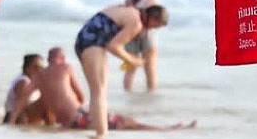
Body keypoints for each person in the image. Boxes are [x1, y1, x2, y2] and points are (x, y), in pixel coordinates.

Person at [10, 47, 191, 131]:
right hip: (79, 116)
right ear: (62, 58)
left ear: (48, 59)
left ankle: (165, 128)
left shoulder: (38, 77)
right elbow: (80, 96)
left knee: (124, 124)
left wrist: (11, 123)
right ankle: (165, 129)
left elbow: (21, 100)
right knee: (126, 122)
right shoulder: (66, 68)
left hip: (69, 122)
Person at [74, 4, 169, 138]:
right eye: (155, 26)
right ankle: (101, 135)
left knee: (96, 93)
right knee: (99, 93)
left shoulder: (130, 10)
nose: (152, 29)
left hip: (84, 40)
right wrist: (133, 60)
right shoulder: (136, 23)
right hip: (93, 43)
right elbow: (113, 46)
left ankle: (98, 131)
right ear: (152, 18)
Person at [122, 0, 160, 92]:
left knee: (130, 69)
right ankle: (151, 93)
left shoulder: (128, 1)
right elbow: (157, 17)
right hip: (148, 34)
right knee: (150, 69)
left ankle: (127, 94)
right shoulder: (152, 0)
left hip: (130, 35)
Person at [3, 53, 50, 125]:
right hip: (17, 118)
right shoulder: (23, 82)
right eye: (36, 67)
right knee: (46, 103)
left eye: (41, 68)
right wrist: (24, 127)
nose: (39, 70)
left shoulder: (33, 80)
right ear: (26, 68)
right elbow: (20, 106)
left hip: (27, 115)